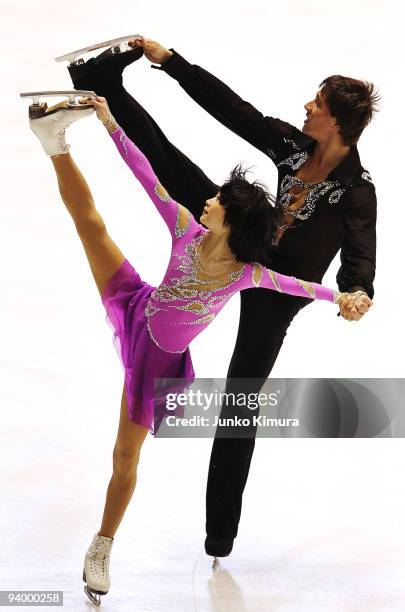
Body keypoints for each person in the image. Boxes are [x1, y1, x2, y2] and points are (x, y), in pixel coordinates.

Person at [24, 92, 369, 604]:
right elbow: (145, 174)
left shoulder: (246, 273)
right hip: (135, 304)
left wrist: (342, 294)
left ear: (228, 218)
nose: (205, 199)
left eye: (216, 200)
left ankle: (102, 544)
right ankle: (54, 143)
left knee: (124, 456)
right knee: (90, 224)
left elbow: (300, 288)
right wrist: (108, 121)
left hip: (155, 361)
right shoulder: (185, 227)